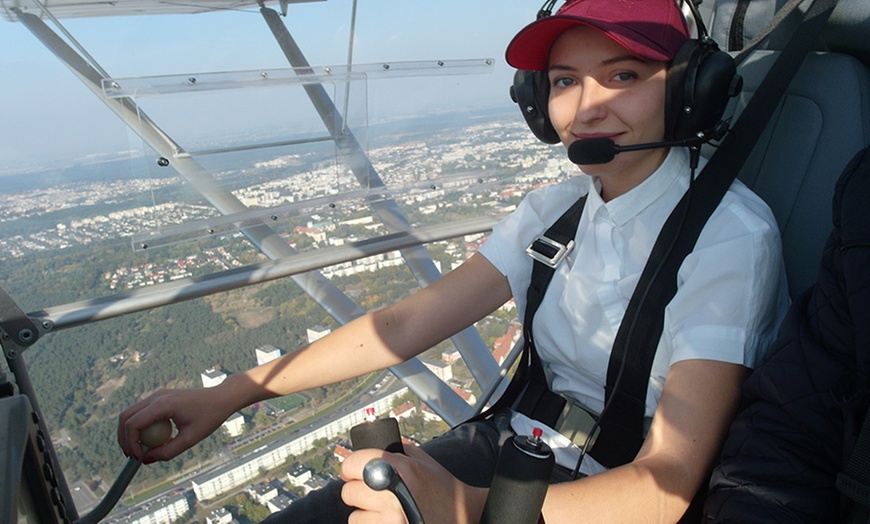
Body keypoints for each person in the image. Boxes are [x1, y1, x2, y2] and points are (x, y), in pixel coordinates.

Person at [117, 0, 790, 522]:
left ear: (692, 88)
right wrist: (228, 394)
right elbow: (404, 326)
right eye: (563, 81)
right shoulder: (555, 208)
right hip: (514, 449)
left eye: (625, 75)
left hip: (606, 494)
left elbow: (666, 487)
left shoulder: (730, 236)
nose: (587, 107)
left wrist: (463, 511)